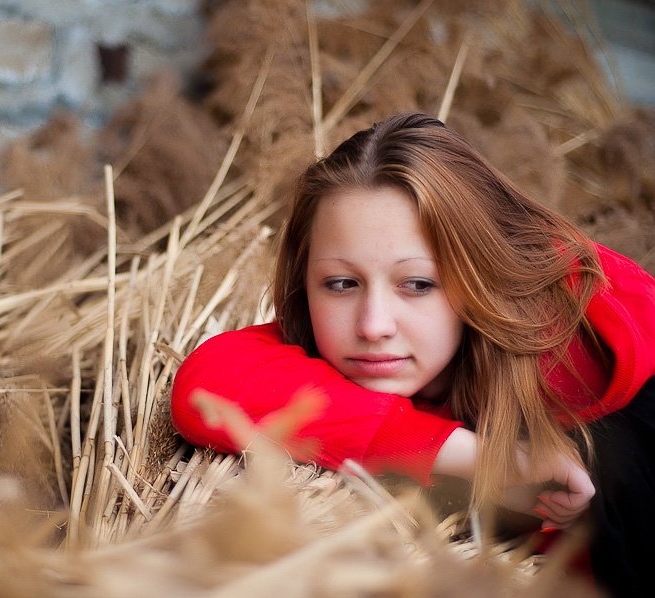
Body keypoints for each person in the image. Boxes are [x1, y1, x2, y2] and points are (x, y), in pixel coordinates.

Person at [171, 113, 655, 596]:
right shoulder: (319, 341)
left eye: (418, 284)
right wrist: (485, 458)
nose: (373, 326)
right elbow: (207, 385)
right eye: (342, 283)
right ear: (305, 283)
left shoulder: (587, 365)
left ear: (481, 276)